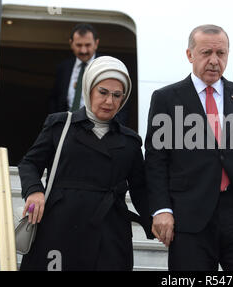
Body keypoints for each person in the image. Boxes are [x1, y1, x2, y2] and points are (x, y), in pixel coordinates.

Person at [145, 24, 233, 271]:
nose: (214, 61)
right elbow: (156, 160)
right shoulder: (166, 99)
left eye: (221, 53)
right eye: (206, 53)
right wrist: (161, 209)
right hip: (190, 216)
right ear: (190, 55)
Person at [19, 56, 152, 271]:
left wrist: (155, 220)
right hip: (59, 227)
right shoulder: (60, 125)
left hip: (110, 234)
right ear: (89, 88)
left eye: (117, 95)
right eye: (103, 92)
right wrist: (34, 191)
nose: (109, 101)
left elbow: (141, 189)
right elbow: (29, 164)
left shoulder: (130, 141)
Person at [48, 23, 130, 125]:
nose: (83, 50)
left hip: (97, 128)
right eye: (79, 45)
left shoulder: (108, 66)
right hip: (66, 127)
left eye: (87, 45)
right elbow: (55, 99)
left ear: (96, 43)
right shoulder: (63, 68)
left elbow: (121, 102)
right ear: (71, 43)